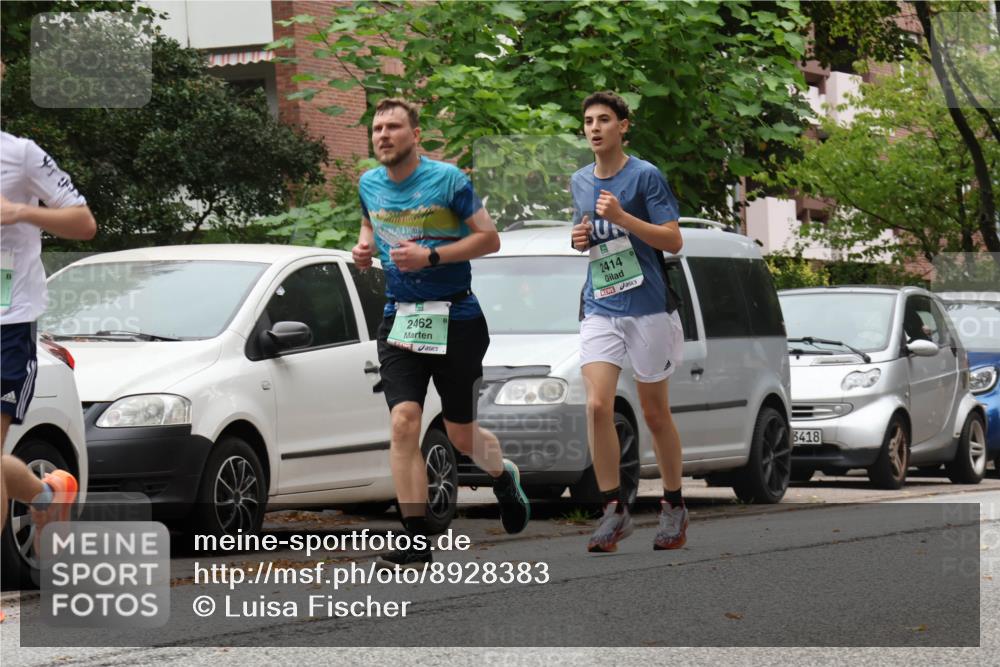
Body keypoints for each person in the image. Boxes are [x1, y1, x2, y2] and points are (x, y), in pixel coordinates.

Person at [352, 98, 530, 569]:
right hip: (401, 317)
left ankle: (503, 473)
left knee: (460, 433)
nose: (383, 135)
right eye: (377, 129)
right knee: (404, 421)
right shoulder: (369, 183)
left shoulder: (448, 180)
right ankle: (415, 537)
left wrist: (432, 257)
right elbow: (370, 217)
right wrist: (366, 244)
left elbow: (488, 239)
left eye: (393, 127)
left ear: (416, 134)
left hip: (456, 317)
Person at [570, 91, 686, 553]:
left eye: (604, 120)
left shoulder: (645, 177)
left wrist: (623, 217)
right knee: (597, 406)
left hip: (648, 308)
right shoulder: (580, 180)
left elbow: (673, 239)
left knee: (655, 413)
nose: (595, 128)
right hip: (600, 305)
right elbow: (588, 230)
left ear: (623, 126)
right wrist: (579, 238)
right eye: (588, 121)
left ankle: (674, 505)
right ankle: (613, 510)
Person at [1, 127, 96, 612]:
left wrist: (19, 211)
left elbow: (83, 222)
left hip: (8, 322)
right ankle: (45, 494)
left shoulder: (19, 155)